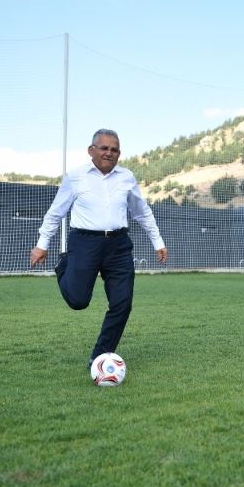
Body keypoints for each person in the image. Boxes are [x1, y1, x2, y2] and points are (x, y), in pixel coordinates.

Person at [30, 129, 167, 371]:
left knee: (122, 303)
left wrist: (158, 241)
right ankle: (64, 265)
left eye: (114, 149)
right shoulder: (75, 177)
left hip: (118, 245)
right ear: (91, 150)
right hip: (84, 243)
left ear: (119, 154)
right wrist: (42, 244)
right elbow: (56, 212)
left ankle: (100, 357)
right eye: (104, 148)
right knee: (78, 301)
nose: (109, 153)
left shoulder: (127, 177)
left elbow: (141, 212)